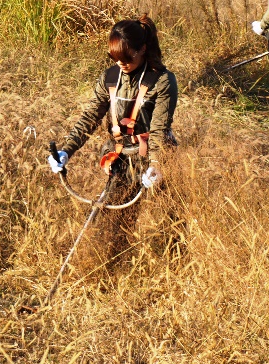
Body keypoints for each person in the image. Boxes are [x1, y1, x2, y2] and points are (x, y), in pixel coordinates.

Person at [48, 16, 178, 259]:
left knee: (170, 222)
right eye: (114, 57)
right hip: (122, 157)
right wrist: (67, 150)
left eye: (127, 57)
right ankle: (114, 267)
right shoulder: (110, 78)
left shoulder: (162, 80)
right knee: (113, 222)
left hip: (156, 158)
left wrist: (157, 166)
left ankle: (177, 271)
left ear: (143, 49)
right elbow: (89, 117)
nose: (121, 63)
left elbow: (160, 129)